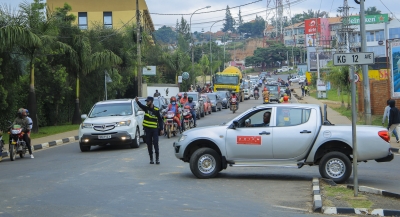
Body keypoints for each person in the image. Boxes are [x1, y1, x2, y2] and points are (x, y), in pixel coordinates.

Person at [135, 96, 164, 164]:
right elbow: (141, 105)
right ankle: (151, 158)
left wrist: (161, 129)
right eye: (146, 101)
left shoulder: (156, 110)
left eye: (148, 101)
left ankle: (157, 159)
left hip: (154, 129)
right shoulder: (146, 108)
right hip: (147, 130)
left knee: (156, 143)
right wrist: (137, 101)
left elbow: (160, 120)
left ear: (151, 101)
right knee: (149, 144)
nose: (147, 102)